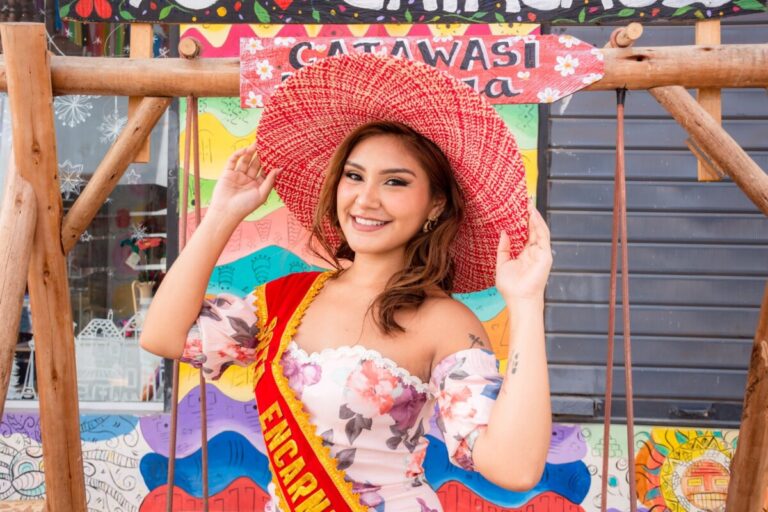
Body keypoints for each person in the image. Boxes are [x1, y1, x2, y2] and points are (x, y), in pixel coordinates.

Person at [140, 53, 552, 512]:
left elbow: (514, 470)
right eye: (354, 176)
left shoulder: (444, 321)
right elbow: (164, 336)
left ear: (435, 205)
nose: (366, 199)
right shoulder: (285, 300)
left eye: (395, 182)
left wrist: (527, 302)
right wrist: (222, 215)